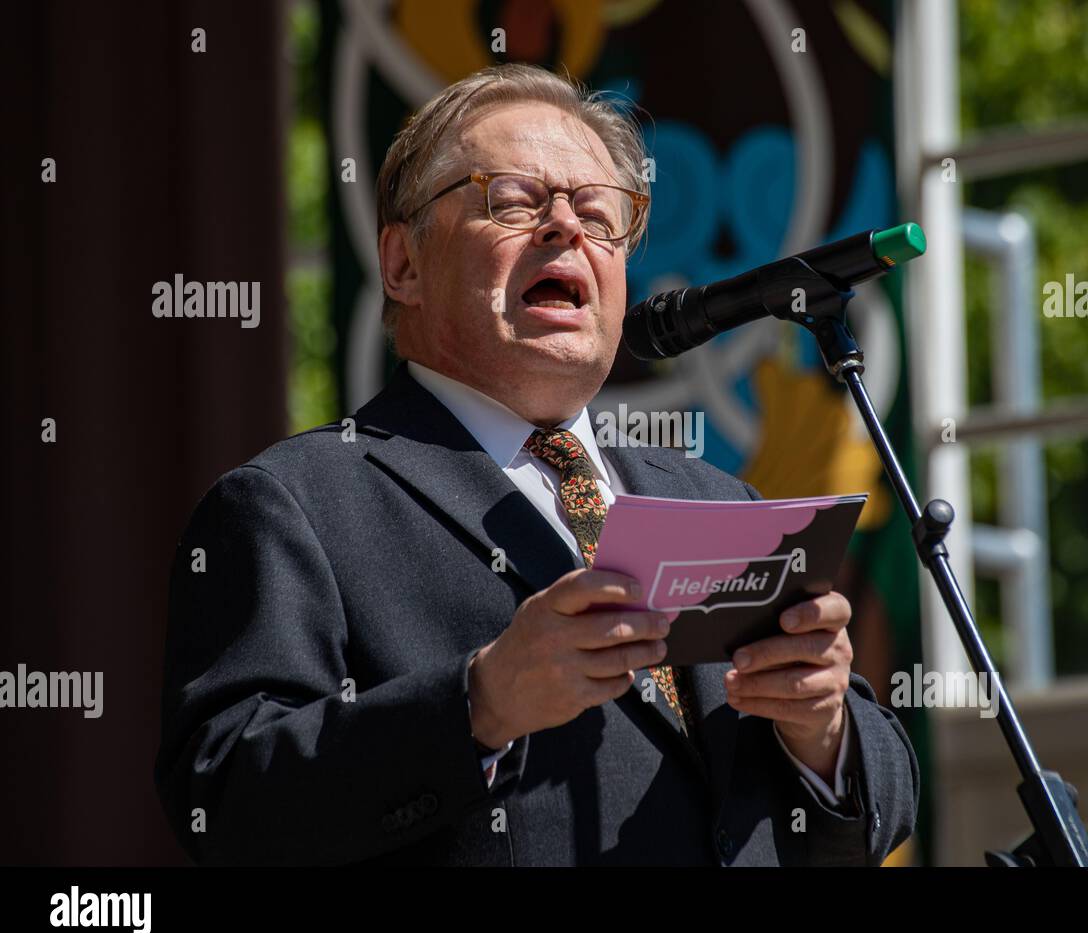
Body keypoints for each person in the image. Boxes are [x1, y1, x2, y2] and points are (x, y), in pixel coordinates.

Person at [155, 63, 918, 866]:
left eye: (599, 211)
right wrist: (479, 703)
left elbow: (881, 810)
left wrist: (822, 728)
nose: (567, 229)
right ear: (403, 264)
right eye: (514, 199)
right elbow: (226, 800)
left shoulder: (717, 501)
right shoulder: (295, 506)